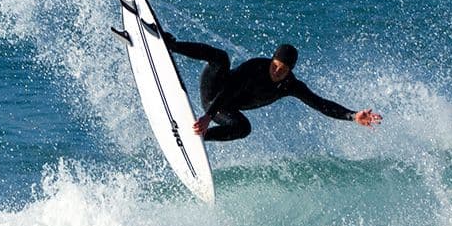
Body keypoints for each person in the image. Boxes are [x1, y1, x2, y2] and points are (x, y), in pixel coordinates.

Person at [159, 29, 381, 142]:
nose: (276, 71)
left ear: (289, 71)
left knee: (243, 128)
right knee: (221, 58)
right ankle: (172, 45)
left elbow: (320, 104)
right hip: (215, 91)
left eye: (283, 69)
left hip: (225, 108)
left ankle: (197, 139)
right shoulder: (255, 67)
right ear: (271, 61)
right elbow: (228, 91)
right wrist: (208, 116)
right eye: (275, 66)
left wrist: (352, 116)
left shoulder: (290, 86)